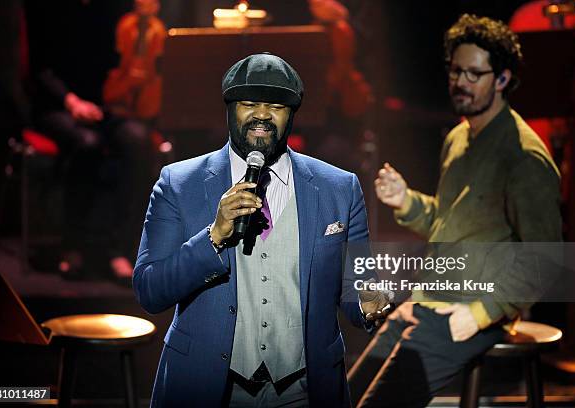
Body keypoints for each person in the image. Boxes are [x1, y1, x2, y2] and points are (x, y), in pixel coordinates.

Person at [133, 53, 391, 407]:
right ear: (229, 109)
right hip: (206, 389)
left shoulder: (339, 188)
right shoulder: (179, 183)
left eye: (276, 105)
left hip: (304, 391)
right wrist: (214, 236)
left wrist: (369, 303)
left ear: (291, 115)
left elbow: (356, 287)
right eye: (249, 103)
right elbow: (150, 290)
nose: (262, 115)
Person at [352, 14, 563, 407]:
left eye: (474, 73)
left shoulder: (524, 156)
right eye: (456, 71)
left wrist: (481, 314)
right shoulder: (459, 137)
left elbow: (546, 258)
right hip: (430, 299)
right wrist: (407, 202)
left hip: (470, 312)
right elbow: (450, 224)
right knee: (342, 394)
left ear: (501, 79)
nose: (461, 82)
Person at [27, 0, 158, 279]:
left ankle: (119, 248)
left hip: (105, 104)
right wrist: (71, 101)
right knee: (87, 144)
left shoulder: (111, 11)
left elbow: (118, 60)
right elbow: (40, 71)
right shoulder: (48, 11)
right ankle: (72, 245)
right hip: (56, 105)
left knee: (137, 140)